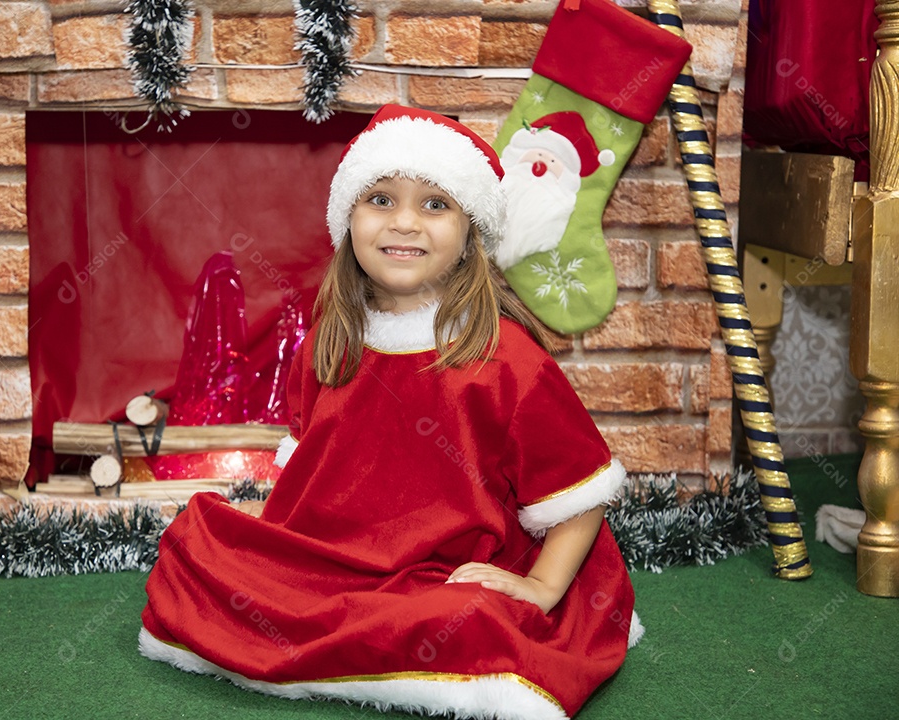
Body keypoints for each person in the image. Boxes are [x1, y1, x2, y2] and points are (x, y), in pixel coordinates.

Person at [140, 104, 641, 720]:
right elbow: (314, 468)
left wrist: (541, 588)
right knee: (195, 542)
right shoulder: (332, 338)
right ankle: (337, 625)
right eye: (380, 199)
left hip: (457, 568)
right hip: (344, 554)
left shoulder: (506, 358)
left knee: (469, 617)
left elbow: (578, 493)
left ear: (470, 235)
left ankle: (380, 642)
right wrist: (275, 551)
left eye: (435, 205)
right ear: (348, 219)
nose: (404, 223)